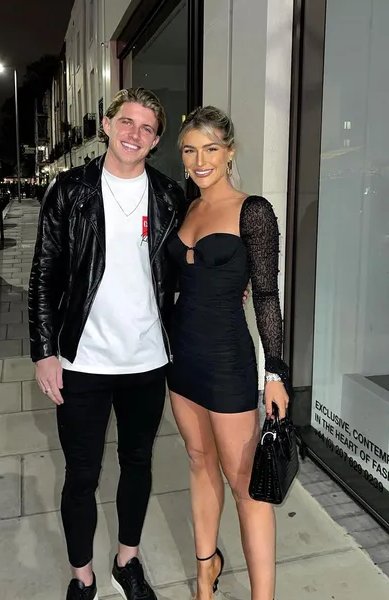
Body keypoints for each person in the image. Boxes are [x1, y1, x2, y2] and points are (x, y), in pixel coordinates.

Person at [28, 87, 186, 600]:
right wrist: (44, 351)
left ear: (156, 140)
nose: (134, 134)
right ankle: (83, 577)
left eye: (146, 128)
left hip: (146, 361)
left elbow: (184, 265)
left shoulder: (169, 195)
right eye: (126, 122)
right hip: (83, 361)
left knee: (138, 463)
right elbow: (45, 273)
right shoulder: (70, 189)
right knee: (81, 474)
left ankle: (126, 561)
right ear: (107, 125)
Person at [166, 106, 291, 600]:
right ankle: (205, 576)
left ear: (230, 152)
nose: (200, 161)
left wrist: (275, 372)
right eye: (190, 150)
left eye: (211, 148)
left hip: (227, 361)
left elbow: (266, 296)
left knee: (246, 486)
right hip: (182, 358)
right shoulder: (185, 208)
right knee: (199, 461)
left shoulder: (252, 211)